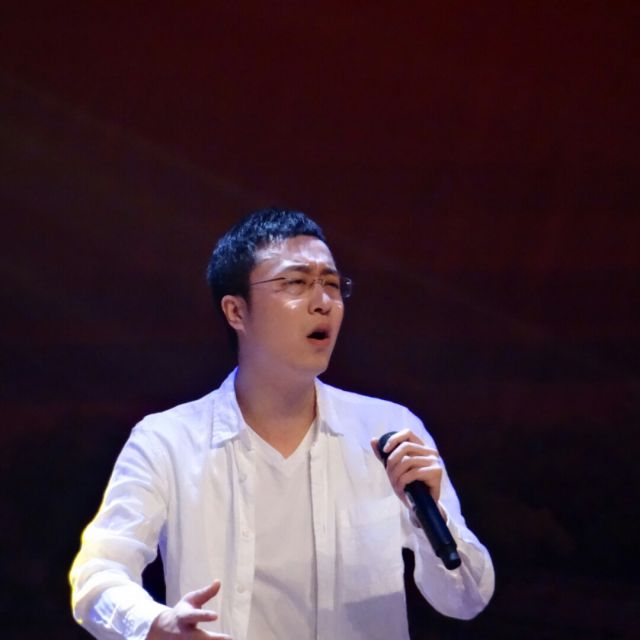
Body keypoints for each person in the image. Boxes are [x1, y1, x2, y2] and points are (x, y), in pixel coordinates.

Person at [70, 208, 494, 640]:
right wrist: (153, 625)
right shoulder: (167, 441)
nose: (323, 301)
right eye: (295, 282)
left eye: (332, 284)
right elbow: (97, 574)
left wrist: (428, 517)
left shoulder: (389, 431)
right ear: (236, 311)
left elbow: (467, 599)